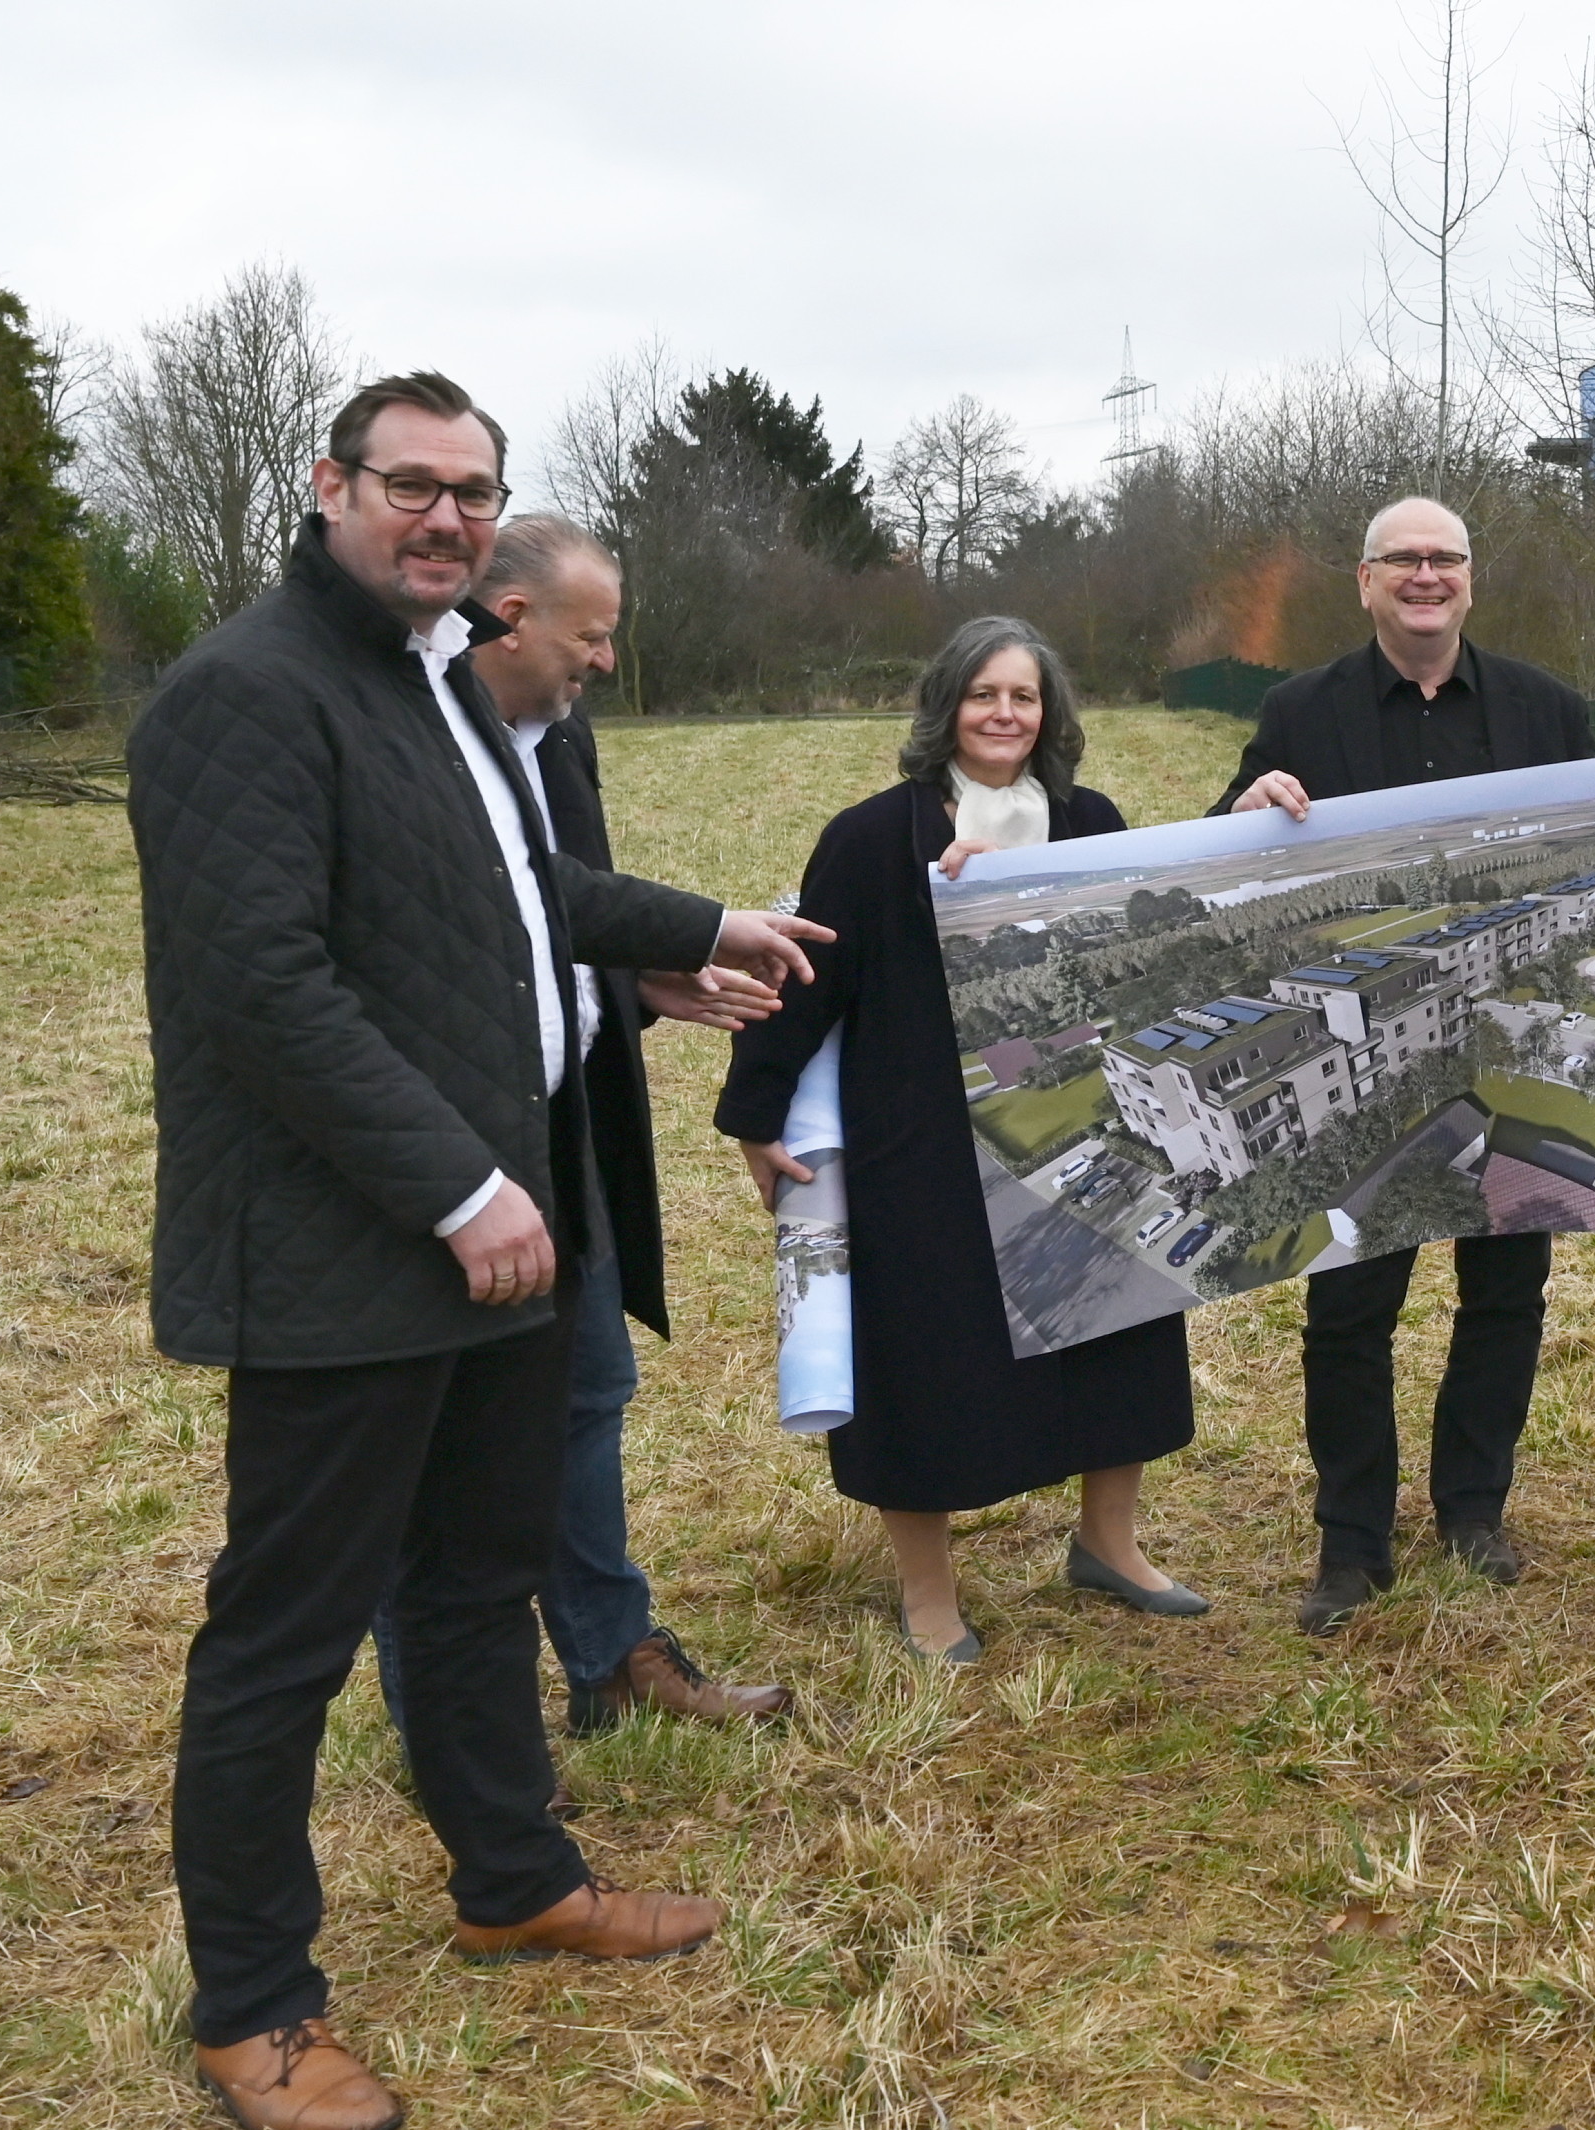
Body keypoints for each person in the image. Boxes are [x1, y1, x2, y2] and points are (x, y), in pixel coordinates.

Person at [129, 371, 830, 2130]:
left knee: (477, 1579)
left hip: (494, 1242)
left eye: (470, 492)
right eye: (410, 486)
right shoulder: (244, 696)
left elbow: (526, 903)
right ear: (330, 488)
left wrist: (691, 933)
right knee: (282, 1637)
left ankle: (512, 1878)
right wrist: (457, 1187)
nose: (441, 517)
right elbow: (263, 991)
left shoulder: (435, 686)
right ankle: (254, 2012)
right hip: (342, 1249)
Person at [369, 515, 794, 1743]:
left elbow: (558, 920)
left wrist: (637, 982)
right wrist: (691, 929)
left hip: (566, 1127)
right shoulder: (410, 734)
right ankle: (453, 1727)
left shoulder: (561, 736)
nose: (605, 661)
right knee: (442, 1449)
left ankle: (610, 1658)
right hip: (449, 1144)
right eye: (590, 635)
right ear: (512, 618)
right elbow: (477, 913)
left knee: (589, 1389)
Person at [1216, 496, 1595, 1635]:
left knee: (1504, 1293)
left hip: (1501, 1045)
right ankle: (1350, 1541)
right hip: (1362, 1059)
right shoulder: (1298, 712)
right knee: (1347, 1304)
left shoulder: (1547, 709)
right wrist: (1244, 801)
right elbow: (1225, 850)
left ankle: (1475, 1510)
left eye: (1446, 560)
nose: (1426, 576)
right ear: (1364, 582)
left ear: (1471, 580)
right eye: (1403, 561)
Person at [720, 617, 1204, 1660]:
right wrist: (753, 1119)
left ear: (1049, 715)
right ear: (945, 708)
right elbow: (803, 982)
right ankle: (928, 1594)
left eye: (1023, 697)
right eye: (984, 695)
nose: (1003, 714)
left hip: (1077, 1121)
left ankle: (1108, 1545)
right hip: (920, 1143)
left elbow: (1146, 951)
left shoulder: (1091, 822)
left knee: (1116, 1326)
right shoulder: (868, 839)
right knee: (923, 1361)